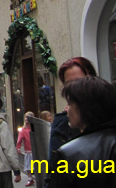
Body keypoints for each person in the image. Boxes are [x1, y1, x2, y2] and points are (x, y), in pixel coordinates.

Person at [44, 57, 97, 188]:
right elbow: (53, 172)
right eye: (69, 85)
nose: (74, 89)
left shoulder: (109, 119)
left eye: (79, 82)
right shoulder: (62, 123)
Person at [16, 112, 35, 186]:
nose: (27, 119)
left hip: (35, 150)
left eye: (29, 117)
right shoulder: (23, 130)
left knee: (38, 165)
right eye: (26, 117)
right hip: (28, 150)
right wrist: (18, 147)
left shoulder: (35, 128)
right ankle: (30, 179)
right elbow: (19, 139)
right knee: (28, 167)